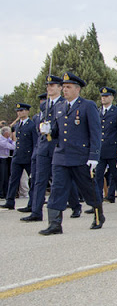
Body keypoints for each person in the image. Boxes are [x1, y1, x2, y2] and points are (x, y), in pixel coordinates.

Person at [38, 72, 105, 235]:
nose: (64, 90)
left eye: (68, 87)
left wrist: (94, 156)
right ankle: (54, 224)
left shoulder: (87, 106)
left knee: (89, 188)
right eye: (63, 87)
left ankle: (98, 216)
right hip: (61, 156)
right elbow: (56, 132)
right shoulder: (58, 107)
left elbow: (95, 133)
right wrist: (47, 131)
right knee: (57, 190)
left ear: (77, 89)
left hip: (81, 156)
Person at [21, 75, 66, 222]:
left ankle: (74, 206)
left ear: (60, 87)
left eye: (52, 85)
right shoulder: (44, 105)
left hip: (57, 146)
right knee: (39, 180)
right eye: (48, 85)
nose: (49, 88)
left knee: (61, 180)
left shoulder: (65, 104)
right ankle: (36, 212)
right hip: (43, 147)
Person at [92, 87, 117, 211]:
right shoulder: (97, 112)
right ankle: (96, 203)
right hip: (100, 151)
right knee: (98, 177)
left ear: (112, 98)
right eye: (102, 96)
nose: (104, 98)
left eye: (106, 96)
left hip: (114, 151)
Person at [0, 103, 38, 210]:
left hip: (28, 156)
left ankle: (31, 203)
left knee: (33, 180)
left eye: (22, 110)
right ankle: (10, 201)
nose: (20, 113)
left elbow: (35, 142)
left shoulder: (31, 125)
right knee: (13, 179)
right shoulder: (18, 125)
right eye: (18, 111)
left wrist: (34, 156)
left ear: (27, 112)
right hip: (18, 156)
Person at [0, 126, 16, 199]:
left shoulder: (7, 139)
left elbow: (13, 144)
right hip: (1, 158)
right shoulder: (1, 140)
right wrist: (14, 140)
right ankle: (1, 193)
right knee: (2, 177)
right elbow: (12, 146)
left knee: (6, 177)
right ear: (6, 133)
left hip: (6, 159)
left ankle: (5, 192)